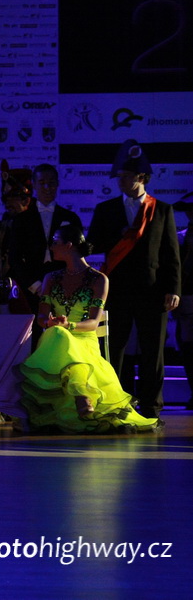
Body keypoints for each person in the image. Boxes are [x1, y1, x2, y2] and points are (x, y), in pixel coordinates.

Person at [18, 224, 159, 433]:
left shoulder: (98, 279)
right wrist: (49, 322)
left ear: (69, 245)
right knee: (58, 334)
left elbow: (93, 322)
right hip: (54, 338)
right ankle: (81, 394)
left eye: (55, 242)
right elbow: (40, 316)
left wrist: (70, 325)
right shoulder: (51, 278)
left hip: (84, 339)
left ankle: (80, 393)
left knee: (62, 334)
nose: (51, 247)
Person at [87, 141, 181, 419]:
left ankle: (151, 407)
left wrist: (173, 289)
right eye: (119, 176)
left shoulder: (161, 210)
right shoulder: (105, 209)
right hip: (116, 291)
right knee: (113, 350)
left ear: (141, 177)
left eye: (126, 176)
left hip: (153, 292)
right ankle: (115, 403)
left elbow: (171, 254)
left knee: (153, 351)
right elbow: (92, 245)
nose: (120, 181)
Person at [8, 163, 82, 316]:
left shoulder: (70, 218)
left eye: (51, 182)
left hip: (64, 286)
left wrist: (69, 282)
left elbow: (78, 254)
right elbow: (14, 258)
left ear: (58, 184)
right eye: (42, 183)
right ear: (34, 185)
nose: (47, 187)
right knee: (32, 327)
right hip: (31, 286)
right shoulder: (21, 220)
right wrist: (35, 286)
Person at [173, 191, 193, 409]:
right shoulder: (181, 237)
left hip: (187, 298)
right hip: (187, 298)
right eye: (189, 210)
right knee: (187, 345)